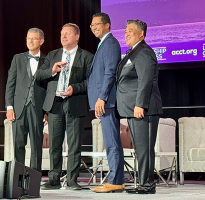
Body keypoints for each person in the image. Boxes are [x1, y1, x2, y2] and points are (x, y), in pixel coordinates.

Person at [36, 23, 93, 190]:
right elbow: (39, 75)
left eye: (67, 34)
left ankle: (72, 180)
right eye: (62, 34)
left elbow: (90, 81)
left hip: (75, 102)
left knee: (74, 144)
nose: (63, 37)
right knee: (55, 144)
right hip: (55, 104)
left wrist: (74, 89)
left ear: (77, 36)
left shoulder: (87, 57)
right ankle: (53, 179)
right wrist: (52, 70)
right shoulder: (53, 55)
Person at [116, 19, 163, 194]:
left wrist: (139, 104)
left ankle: (147, 185)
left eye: (131, 30)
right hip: (132, 108)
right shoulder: (132, 52)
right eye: (126, 30)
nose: (126, 33)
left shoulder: (144, 52)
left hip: (144, 108)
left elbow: (145, 80)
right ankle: (143, 182)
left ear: (141, 34)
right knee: (140, 148)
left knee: (144, 148)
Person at [88, 12, 125, 193]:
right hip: (104, 101)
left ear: (107, 25)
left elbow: (110, 73)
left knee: (112, 143)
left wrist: (101, 97)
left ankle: (116, 181)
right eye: (92, 25)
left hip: (108, 101)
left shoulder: (110, 44)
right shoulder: (103, 44)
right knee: (110, 143)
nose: (94, 27)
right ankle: (115, 179)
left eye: (97, 24)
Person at [5, 28, 47, 172]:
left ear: (41, 41)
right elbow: (10, 84)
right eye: (28, 38)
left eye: (34, 38)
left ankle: (34, 177)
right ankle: (18, 175)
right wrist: (9, 107)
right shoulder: (18, 58)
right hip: (19, 108)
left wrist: (46, 110)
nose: (30, 41)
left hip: (38, 108)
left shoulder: (47, 60)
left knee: (36, 144)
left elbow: (49, 88)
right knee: (18, 144)